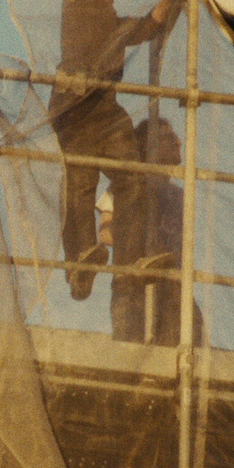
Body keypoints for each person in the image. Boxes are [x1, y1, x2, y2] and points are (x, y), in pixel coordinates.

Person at [51, 0, 186, 340]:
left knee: (133, 180)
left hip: (105, 111)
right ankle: (80, 265)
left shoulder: (117, 24)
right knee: (81, 183)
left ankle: (131, 262)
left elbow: (150, 27)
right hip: (73, 104)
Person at [97, 117, 201, 345]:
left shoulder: (179, 196)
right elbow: (106, 233)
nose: (178, 142)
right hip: (133, 284)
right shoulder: (126, 189)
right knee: (130, 347)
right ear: (148, 146)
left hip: (171, 284)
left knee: (188, 336)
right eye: (168, 137)